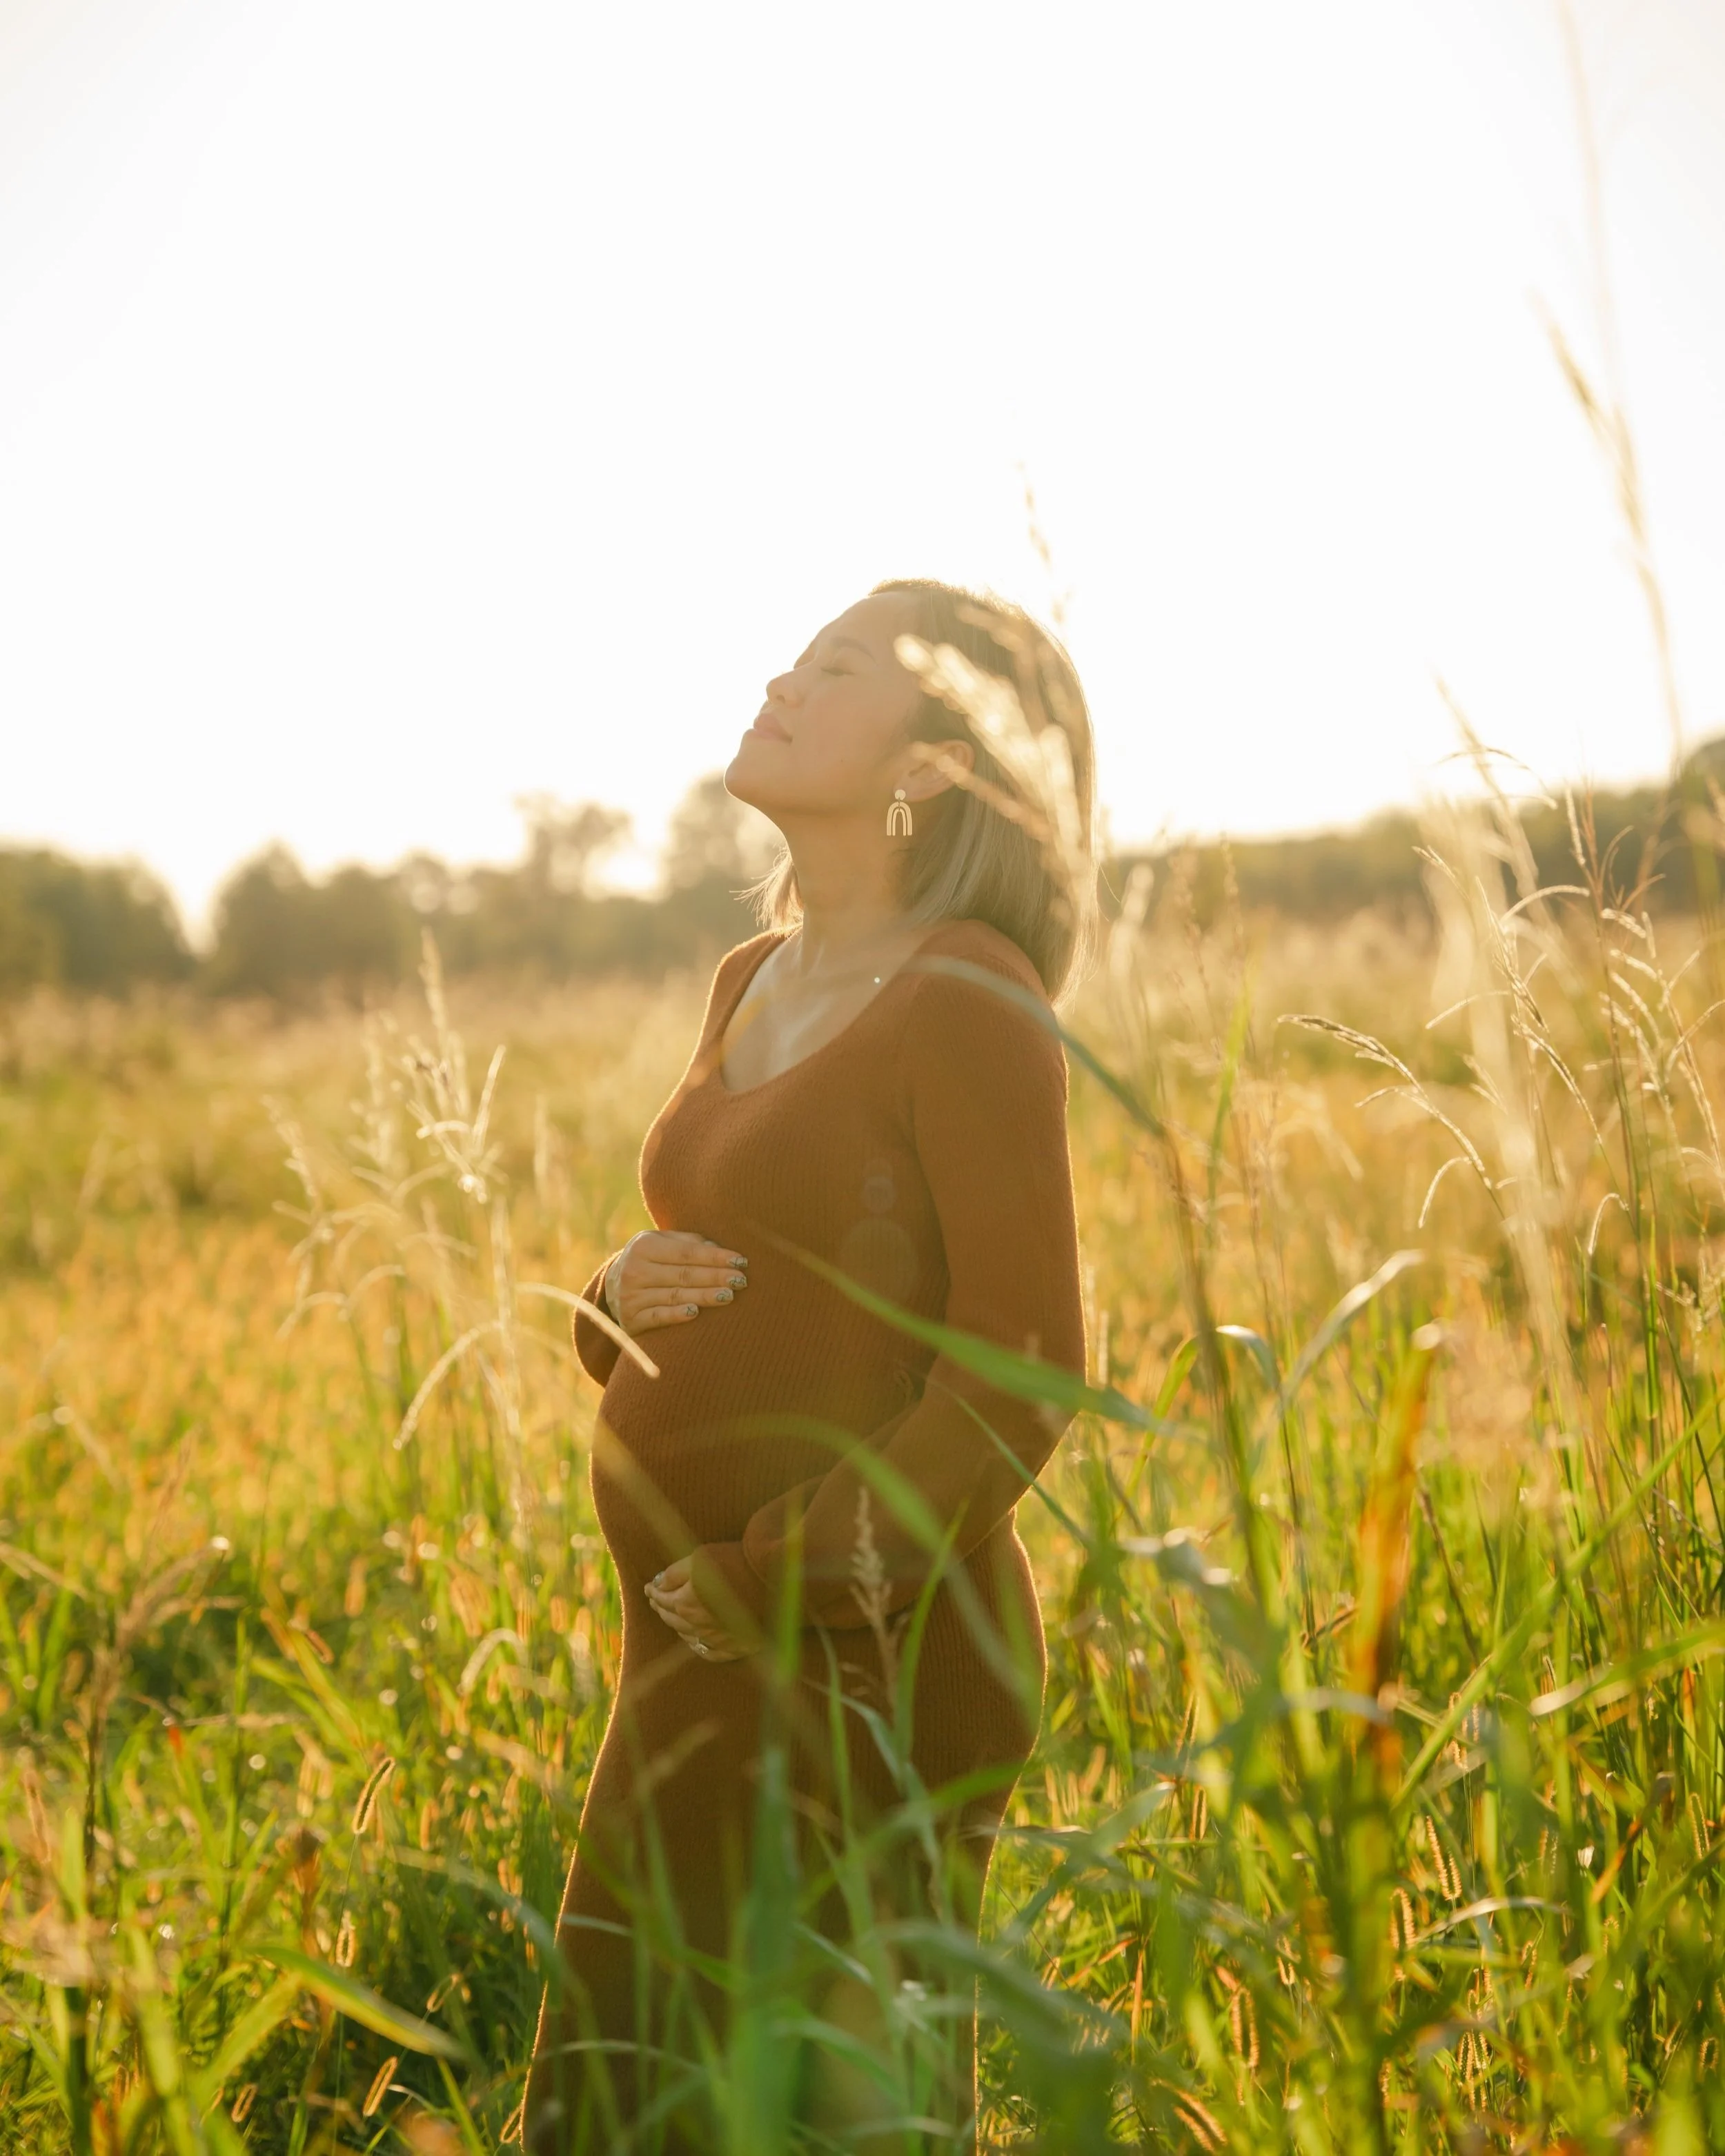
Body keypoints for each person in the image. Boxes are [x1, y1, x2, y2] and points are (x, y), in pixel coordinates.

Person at [526, 579, 1094, 2154]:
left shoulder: (968, 994)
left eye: (836, 669)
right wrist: (609, 1296)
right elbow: (733, 1245)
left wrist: (784, 1568)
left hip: (867, 1664)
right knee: (623, 2098)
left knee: (830, 2118)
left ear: (928, 769)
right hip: (690, 1657)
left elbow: (1025, 1363)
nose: (782, 674)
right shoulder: (748, 974)